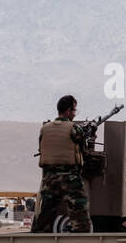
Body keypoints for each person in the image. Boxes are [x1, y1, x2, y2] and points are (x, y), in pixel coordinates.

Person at [32, 95, 92, 232]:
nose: (74, 114)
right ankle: (83, 242)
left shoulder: (44, 129)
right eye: (74, 110)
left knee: (46, 213)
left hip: (49, 179)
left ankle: (36, 237)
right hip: (70, 178)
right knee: (79, 212)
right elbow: (85, 151)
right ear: (69, 111)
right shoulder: (74, 129)